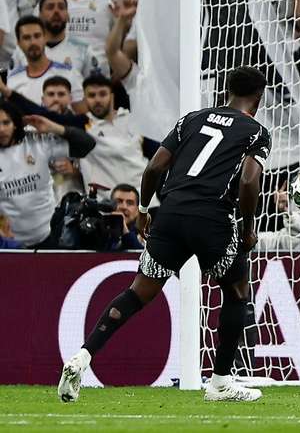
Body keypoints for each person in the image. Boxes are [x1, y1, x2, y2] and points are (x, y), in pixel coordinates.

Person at [58, 66, 272, 403]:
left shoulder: (192, 119)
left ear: (226, 90)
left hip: (170, 214)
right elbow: (248, 181)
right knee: (236, 292)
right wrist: (248, 230)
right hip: (212, 218)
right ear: (258, 98)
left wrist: (143, 211)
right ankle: (220, 382)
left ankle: (83, 356)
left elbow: (155, 166)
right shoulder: (256, 131)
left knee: (138, 292)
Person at [0, 100, 95, 248]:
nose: (1, 129)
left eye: (6, 123)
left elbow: (87, 145)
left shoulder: (35, 142)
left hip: (51, 236)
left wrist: (54, 127)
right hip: (11, 244)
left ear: (16, 124)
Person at [13, 0, 102, 79]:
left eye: (61, 7)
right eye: (50, 7)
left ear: (68, 15)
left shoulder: (83, 50)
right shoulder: (22, 51)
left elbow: (95, 88)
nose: (56, 11)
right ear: (39, 15)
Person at [7, 15, 84, 112]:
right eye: (27, 38)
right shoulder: (13, 79)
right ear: (18, 43)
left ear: (45, 38)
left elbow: (82, 114)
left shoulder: (68, 73)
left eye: (37, 36)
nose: (33, 42)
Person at [110, 183, 143, 250]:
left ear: (137, 210)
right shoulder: (102, 231)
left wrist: (124, 230)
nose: (124, 207)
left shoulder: (147, 235)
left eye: (130, 203)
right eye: (118, 201)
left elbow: (141, 256)